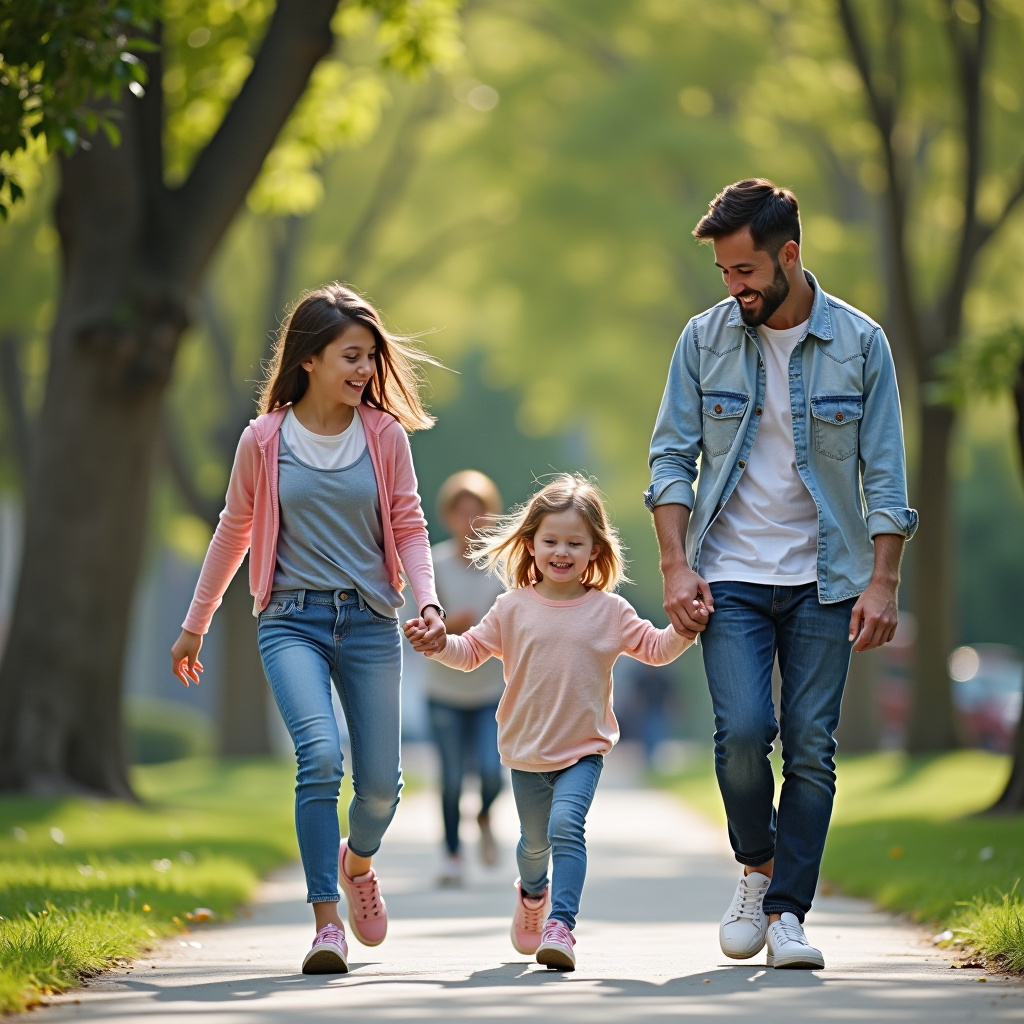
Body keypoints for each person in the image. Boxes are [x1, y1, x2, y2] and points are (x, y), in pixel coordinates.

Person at [647, 179, 917, 969]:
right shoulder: (703, 340)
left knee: (809, 745)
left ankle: (790, 913)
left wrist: (884, 581)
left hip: (827, 579)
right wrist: (674, 565)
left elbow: (887, 475)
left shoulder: (860, 345)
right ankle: (756, 870)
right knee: (741, 736)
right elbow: (671, 456)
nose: (733, 289)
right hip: (727, 570)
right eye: (724, 274)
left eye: (743, 272)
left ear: (788, 256)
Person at [170, 283, 447, 976]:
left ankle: (358, 861)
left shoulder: (382, 436)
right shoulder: (263, 440)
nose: (364, 371)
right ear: (310, 360)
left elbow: (409, 524)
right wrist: (194, 625)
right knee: (321, 758)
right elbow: (234, 530)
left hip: (371, 622)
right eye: (351, 356)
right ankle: (327, 924)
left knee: (381, 786)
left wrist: (428, 601)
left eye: (370, 358)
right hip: (290, 621)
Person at [405, 474, 696, 971]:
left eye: (575, 543)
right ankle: (533, 894)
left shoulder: (610, 611)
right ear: (532, 544)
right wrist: (439, 645)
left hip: (584, 747)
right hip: (526, 751)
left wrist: (685, 628)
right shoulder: (512, 607)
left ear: (594, 551)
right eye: (552, 541)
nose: (562, 552)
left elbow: (654, 647)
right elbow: (472, 650)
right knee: (533, 844)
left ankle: (561, 925)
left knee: (567, 828)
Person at [424, 471, 506, 886]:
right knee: (452, 777)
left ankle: (486, 812)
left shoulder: (504, 568)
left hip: (491, 691)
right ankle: (453, 854)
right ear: (449, 516)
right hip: (444, 690)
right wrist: (447, 627)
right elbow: (411, 628)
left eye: (480, 513)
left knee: (494, 773)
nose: (471, 522)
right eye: (462, 513)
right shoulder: (432, 564)